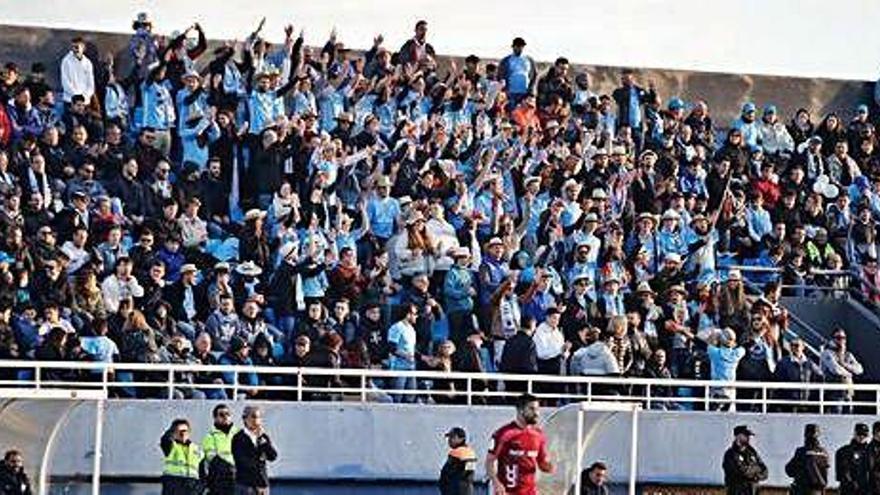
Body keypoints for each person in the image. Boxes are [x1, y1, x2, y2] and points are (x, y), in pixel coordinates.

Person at [486, 393, 554, 495]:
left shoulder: (538, 435)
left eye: (537, 409)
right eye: (532, 409)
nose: (537, 413)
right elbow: (489, 461)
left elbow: (543, 464)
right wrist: (496, 483)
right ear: (521, 410)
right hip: (508, 492)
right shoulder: (503, 434)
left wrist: (551, 466)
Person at [232, 405, 277, 494]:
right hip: (245, 485)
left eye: (259, 417)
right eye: (253, 417)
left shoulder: (263, 437)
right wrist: (259, 459)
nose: (256, 420)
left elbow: (272, 456)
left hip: (263, 485)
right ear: (245, 419)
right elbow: (243, 461)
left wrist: (263, 442)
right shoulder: (238, 438)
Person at [159, 418, 204, 495]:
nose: (183, 434)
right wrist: (171, 430)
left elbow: (202, 475)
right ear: (174, 432)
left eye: (185, 431)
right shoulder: (171, 446)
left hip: (192, 488)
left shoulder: (197, 450)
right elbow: (165, 439)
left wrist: (199, 489)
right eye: (179, 431)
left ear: (189, 432)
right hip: (173, 487)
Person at [202, 403, 238, 495]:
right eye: (221, 415)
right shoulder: (210, 436)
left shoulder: (239, 433)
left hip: (239, 478)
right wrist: (230, 468)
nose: (225, 417)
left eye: (227, 414)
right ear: (215, 418)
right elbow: (212, 458)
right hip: (219, 479)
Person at [721, 425, 768, 495]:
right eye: (746, 435)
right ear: (738, 436)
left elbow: (764, 471)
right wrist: (756, 470)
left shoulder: (752, 452)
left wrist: (754, 473)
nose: (748, 438)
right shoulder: (730, 454)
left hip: (753, 491)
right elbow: (743, 472)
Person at [784, 424, 829, 495]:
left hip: (802, 490)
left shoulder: (801, 451)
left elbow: (789, 470)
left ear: (805, 435)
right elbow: (825, 474)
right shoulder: (824, 453)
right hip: (818, 492)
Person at [438, 426, 477, 495]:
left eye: (453, 437)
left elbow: (447, 474)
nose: (449, 440)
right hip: (467, 490)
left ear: (461, 439)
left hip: (454, 491)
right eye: (449, 437)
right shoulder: (471, 453)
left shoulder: (456, 453)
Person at [835, 423, 871, 495]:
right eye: (859, 434)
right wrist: (851, 483)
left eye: (864, 435)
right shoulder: (844, 451)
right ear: (854, 434)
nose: (862, 437)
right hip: (849, 489)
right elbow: (842, 471)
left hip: (867, 489)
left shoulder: (871, 451)